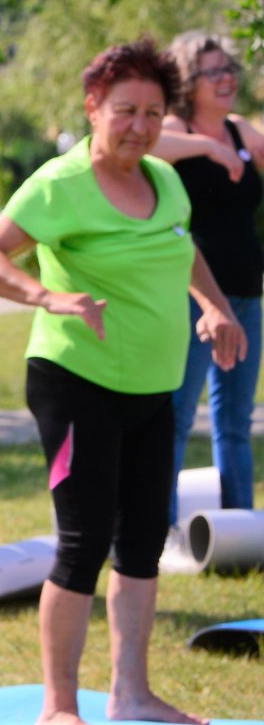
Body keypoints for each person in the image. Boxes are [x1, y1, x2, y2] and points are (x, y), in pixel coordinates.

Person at [0, 37, 248, 725]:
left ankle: (132, 694)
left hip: (153, 384)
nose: (140, 127)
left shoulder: (166, 179)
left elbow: (183, 248)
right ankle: (58, 706)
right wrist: (46, 297)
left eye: (153, 113)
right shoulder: (60, 184)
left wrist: (217, 307)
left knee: (145, 538)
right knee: (83, 539)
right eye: (125, 111)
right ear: (93, 108)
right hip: (75, 381)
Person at [154, 31, 264, 560]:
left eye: (230, 69)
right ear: (188, 82)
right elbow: (147, 146)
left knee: (236, 423)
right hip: (193, 297)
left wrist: (229, 142)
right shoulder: (175, 129)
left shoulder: (243, 128)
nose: (228, 79)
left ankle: (240, 537)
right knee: (176, 415)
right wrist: (209, 147)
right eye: (214, 72)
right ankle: (160, 534)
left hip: (246, 293)